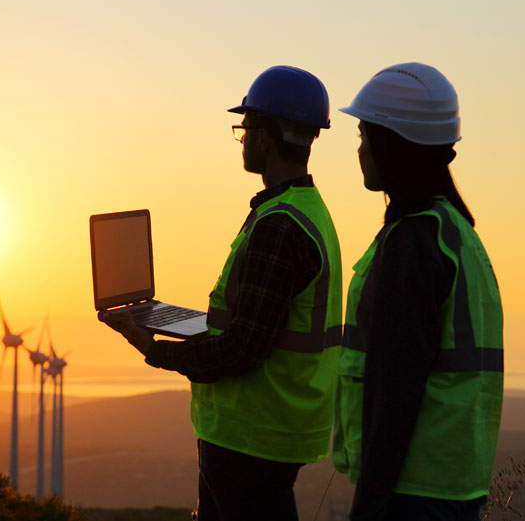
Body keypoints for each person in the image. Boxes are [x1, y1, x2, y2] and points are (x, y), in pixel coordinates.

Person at [101, 65, 343, 521]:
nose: (243, 138)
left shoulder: (280, 226)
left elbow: (241, 349)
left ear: (266, 137)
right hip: (264, 433)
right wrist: (185, 327)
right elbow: (254, 325)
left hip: (251, 437)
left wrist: (156, 348)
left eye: (246, 128)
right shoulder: (306, 212)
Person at [331, 63, 504, 521]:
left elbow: (394, 390)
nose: (360, 149)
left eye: (365, 136)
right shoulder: (456, 231)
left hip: (412, 489)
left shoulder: (413, 243)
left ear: (395, 143)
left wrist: (368, 504)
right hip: (454, 483)